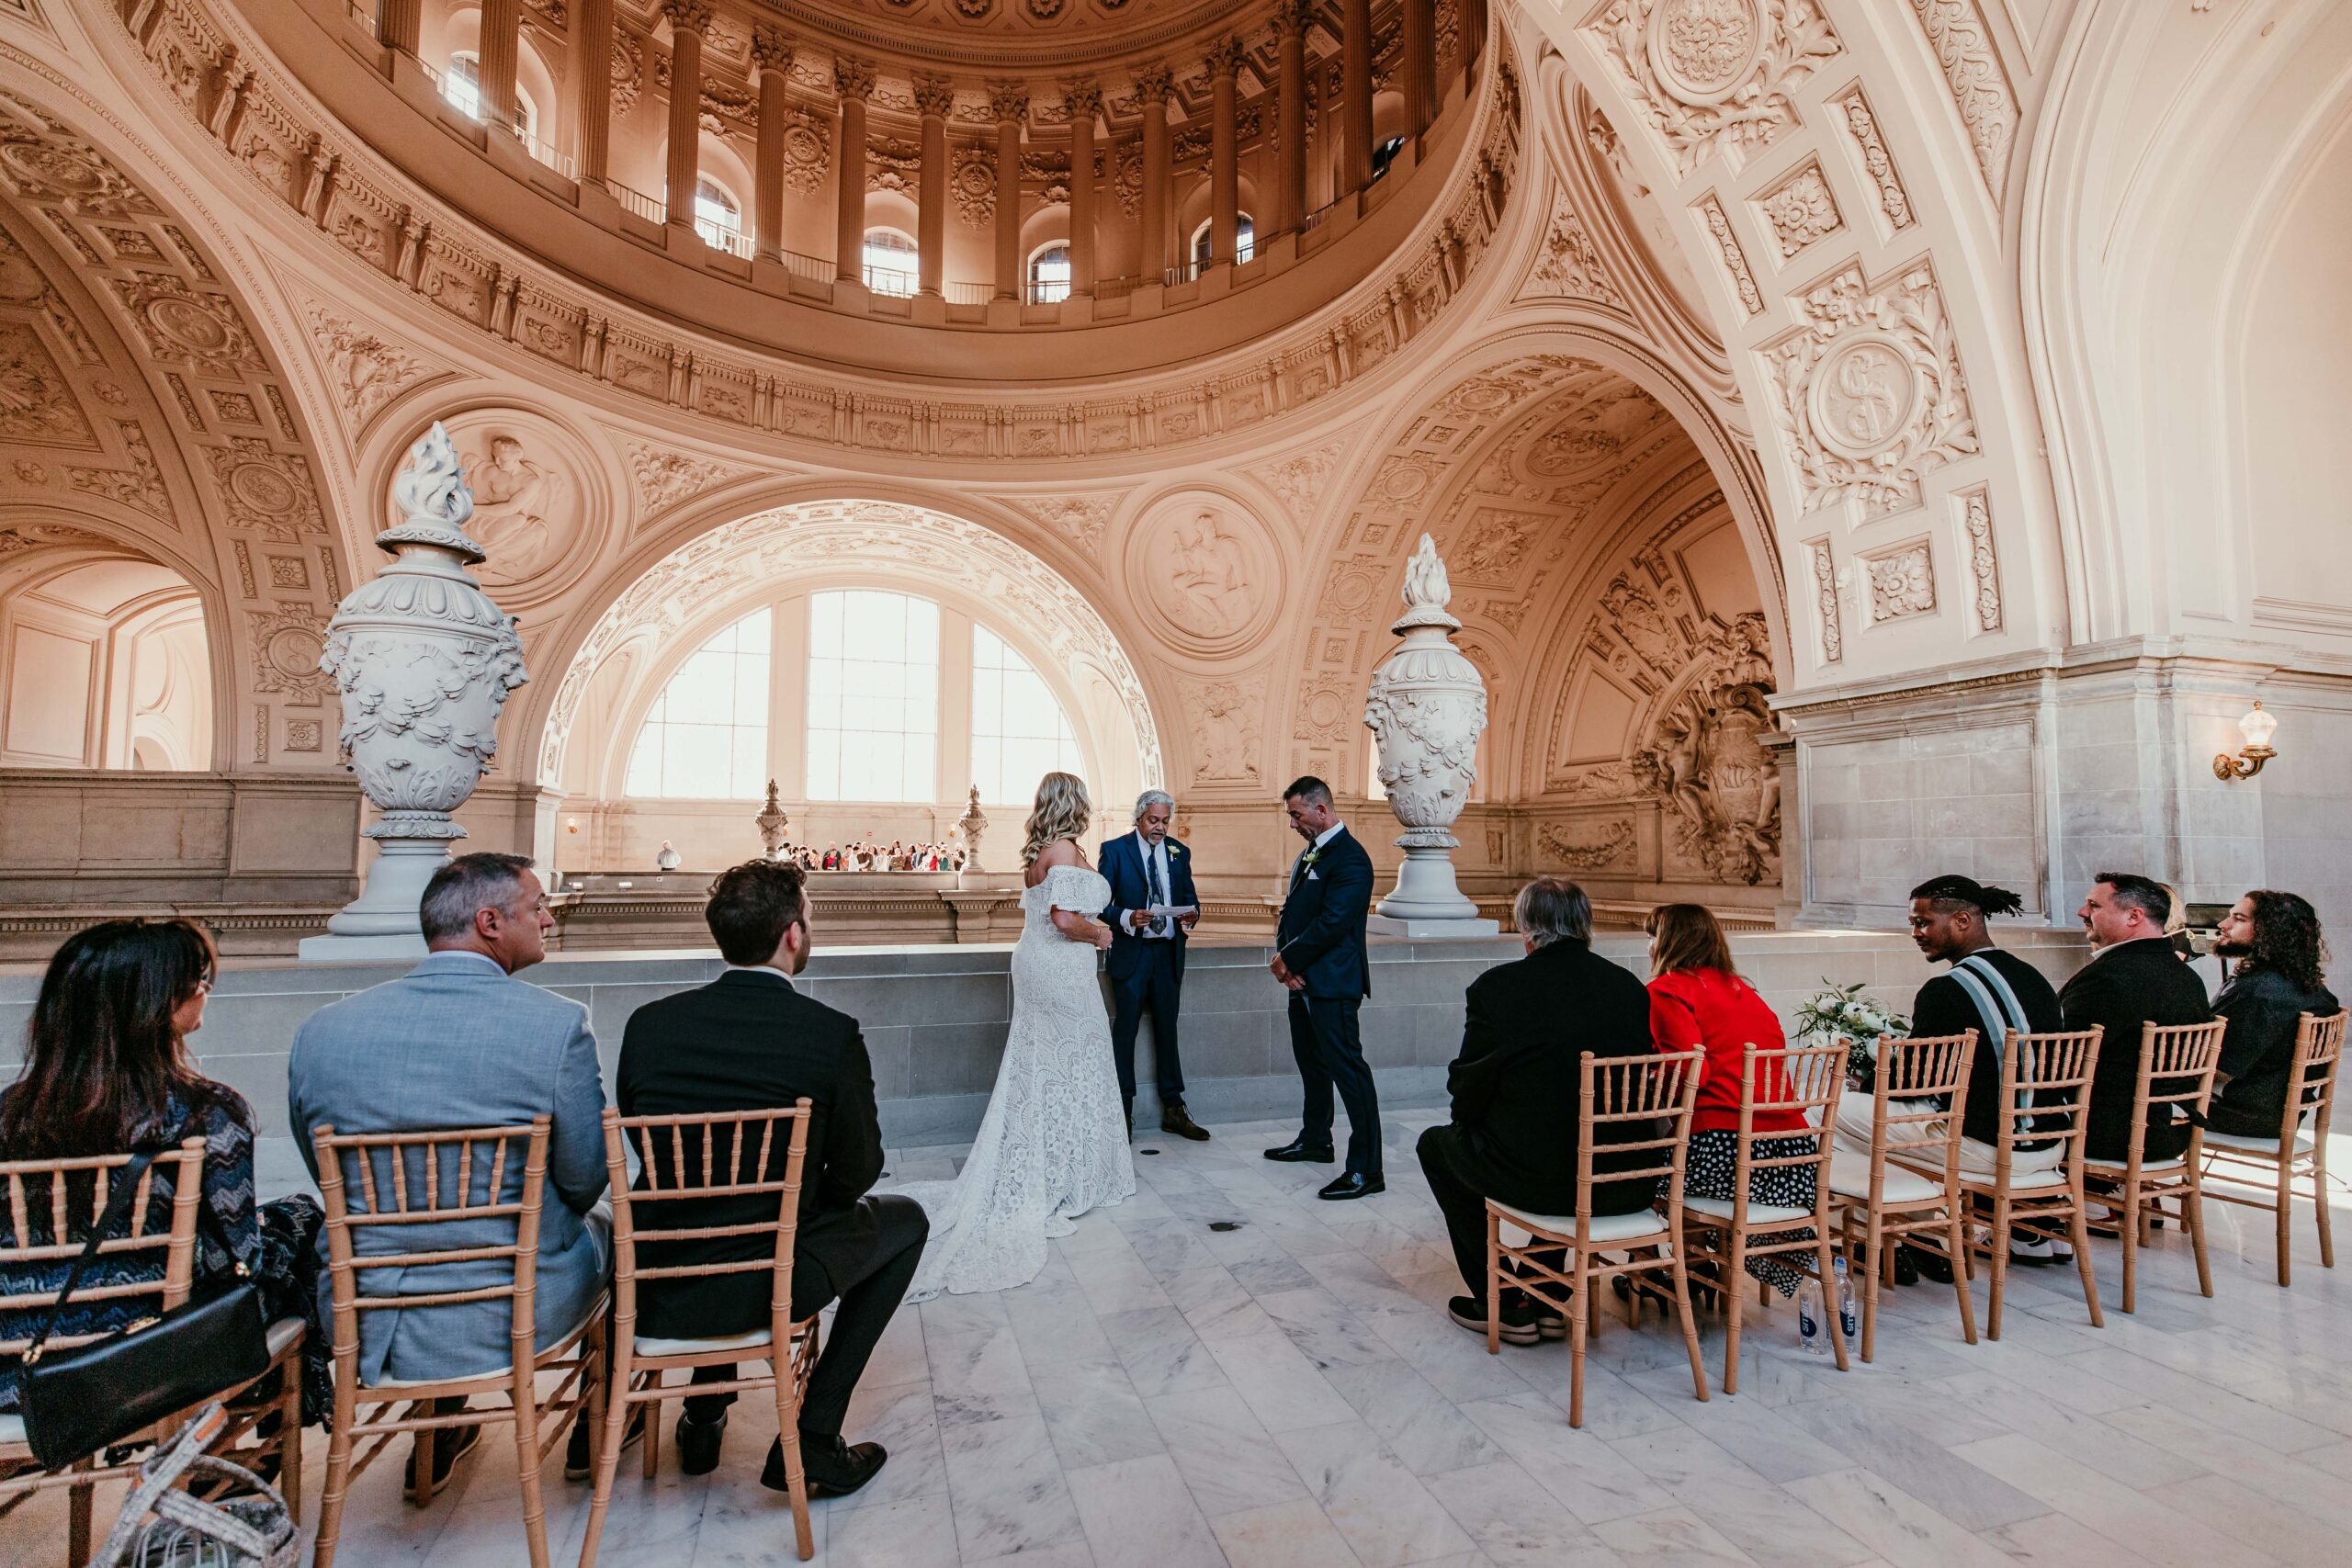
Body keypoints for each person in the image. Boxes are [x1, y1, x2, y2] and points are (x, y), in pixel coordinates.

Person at [288, 853, 615, 1496]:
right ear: (489, 921)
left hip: (367, 1317)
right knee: (612, 1233)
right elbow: (585, 1179)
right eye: (537, 906)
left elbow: (328, 1178)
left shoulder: (321, 1032)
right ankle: (594, 1436)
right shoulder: (557, 1024)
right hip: (515, 1310)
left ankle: (441, 1422)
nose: (550, 918)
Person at [616, 861, 926, 1498]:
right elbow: (861, 1169)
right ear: (791, 934)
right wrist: (806, 1206)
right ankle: (813, 1437)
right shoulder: (827, 1035)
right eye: (809, 919)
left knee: (711, 1210)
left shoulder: (648, 1026)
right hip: (774, 1278)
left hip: (659, 1281)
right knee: (906, 1221)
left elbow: (647, 1141)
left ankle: (703, 1415)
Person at [0, 919, 328, 1431]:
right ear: (157, 1004)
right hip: (143, 1365)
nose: (204, 990)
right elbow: (234, 1264)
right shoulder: (205, 1112)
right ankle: (230, 1447)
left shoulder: (10, 1114)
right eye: (196, 980)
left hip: (20, 1365)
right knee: (298, 1226)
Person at [893, 773, 1136, 1296]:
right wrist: (1101, 934)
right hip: (1061, 966)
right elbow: (1066, 919)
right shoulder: (1066, 851)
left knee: (1044, 1064)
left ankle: (1054, 1163)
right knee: (1075, 1061)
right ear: (1076, 804)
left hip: (1036, 963)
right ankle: (1065, 1175)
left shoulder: (1040, 853)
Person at [1419, 879, 1658, 1345]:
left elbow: (1470, 1085)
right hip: (1627, 1179)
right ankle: (1546, 1294)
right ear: (1585, 925)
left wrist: (1469, 1124)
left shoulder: (1499, 988)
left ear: (1526, 928)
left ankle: (1503, 1302)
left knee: (1437, 1146)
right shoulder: (1628, 987)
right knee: (1565, 1152)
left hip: (1542, 1180)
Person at [1645, 903, 1817, 1298]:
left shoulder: (1667, 988)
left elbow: (1690, 1073)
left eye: (1652, 937)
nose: (1649, 947)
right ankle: (1702, 1267)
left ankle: (1673, 1272)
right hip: (1791, 1156)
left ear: (1669, 941)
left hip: (1726, 1152)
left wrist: (1648, 1075)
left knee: (1639, 1172)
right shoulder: (1746, 991)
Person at [1265, 776, 1382, 1201]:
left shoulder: (1350, 859)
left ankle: (1367, 1169)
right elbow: (1293, 914)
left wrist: (1287, 961)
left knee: (1350, 1073)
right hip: (1305, 981)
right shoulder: (1311, 853)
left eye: (1296, 815)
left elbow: (1333, 924)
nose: (1293, 824)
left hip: (1333, 984)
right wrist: (1289, 963)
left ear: (1321, 810)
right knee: (1312, 1066)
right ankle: (1316, 1139)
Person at [2063, 872, 2215, 1164]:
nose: (2082, 913)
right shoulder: (2188, 977)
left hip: (2113, 1136)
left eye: (2094, 906)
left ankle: (2079, 1205)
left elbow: (2062, 1061)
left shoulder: (2107, 977)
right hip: (2172, 1132)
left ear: (2134, 916)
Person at [1099, 789, 1209, 1141]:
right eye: (1153, 820)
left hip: (1167, 955)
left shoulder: (1180, 853)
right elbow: (1100, 904)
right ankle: (1122, 1112)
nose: (1160, 828)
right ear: (1139, 817)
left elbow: (1190, 899)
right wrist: (1128, 916)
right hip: (1133, 954)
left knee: (1167, 1030)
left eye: (1164, 821)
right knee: (1125, 1032)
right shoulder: (1115, 851)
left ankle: (1174, 1110)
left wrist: (1192, 916)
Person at [2207, 891, 2338, 1138]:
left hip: (2239, 1115)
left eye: (2239, 919)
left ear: (2271, 931)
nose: (2223, 925)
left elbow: (2218, 1065)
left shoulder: (2258, 992)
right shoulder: (2314, 988)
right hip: (2279, 1113)